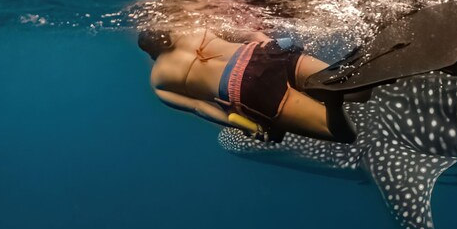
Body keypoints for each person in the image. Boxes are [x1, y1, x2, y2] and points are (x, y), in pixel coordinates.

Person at [138, 28, 356, 143]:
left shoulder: (158, 81)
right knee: (355, 90)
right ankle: (355, 68)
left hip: (244, 86)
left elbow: (200, 108)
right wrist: (267, 43)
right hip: (262, 52)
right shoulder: (192, 26)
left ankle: (332, 102)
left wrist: (248, 126)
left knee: (344, 135)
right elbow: (248, 32)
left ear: (150, 52)